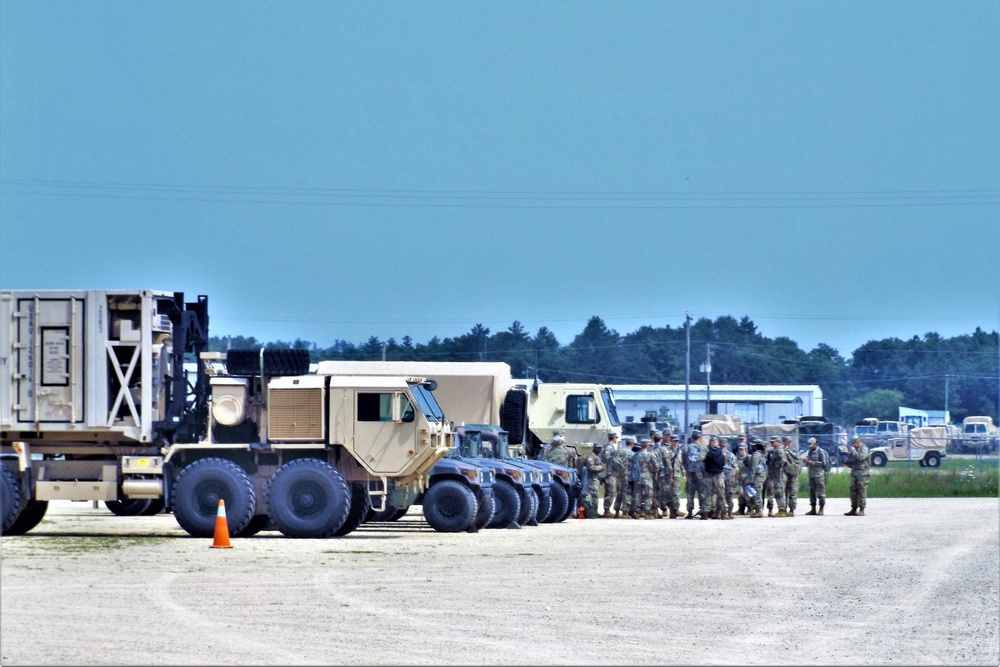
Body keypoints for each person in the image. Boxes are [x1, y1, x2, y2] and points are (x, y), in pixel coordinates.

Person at [700, 435, 729, 519]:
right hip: (719, 475)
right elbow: (725, 461)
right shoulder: (722, 451)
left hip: (708, 475)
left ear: (710, 442)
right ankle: (724, 513)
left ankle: (705, 513)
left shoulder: (706, 450)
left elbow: (701, 459)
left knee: (708, 494)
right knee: (721, 494)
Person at [842, 435, 871, 516]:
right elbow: (852, 461)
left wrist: (854, 451)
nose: (853, 446)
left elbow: (861, 457)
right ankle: (853, 508)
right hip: (854, 473)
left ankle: (862, 509)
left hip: (862, 474)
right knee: (853, 491)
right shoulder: (855, 450)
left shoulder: (864, 449)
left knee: (861, 491)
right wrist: (847, 462)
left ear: (858, 442)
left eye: (854, 444)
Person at [802, 437, 830, 515]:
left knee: (820, 492)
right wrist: (806, 461)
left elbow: (823, 462)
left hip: (819, 475)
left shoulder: (821, 451)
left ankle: (821, 509)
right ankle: (813, 509)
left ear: (815, 444)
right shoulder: (809, 451)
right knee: (812, 492)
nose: (810, 447)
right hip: (811, 474)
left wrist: (813, 463)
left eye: (811, 445)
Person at [682, 430, 704, 519]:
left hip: (690, 473)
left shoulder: (686, 448)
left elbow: (683, 460)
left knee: (690, 493)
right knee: (701, 492)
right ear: (699, 437)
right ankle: (703, 511)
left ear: (692, 437)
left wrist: (686, 471)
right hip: (700, 473)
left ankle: (690, 512)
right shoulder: (703, 447)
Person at [579, 442, 606, 519]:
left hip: (596, 479)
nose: (599, 449)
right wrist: (601, 467)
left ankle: (594, 512)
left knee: (595, 496)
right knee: (591, 496)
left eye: (600, 448)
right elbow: (591, 468)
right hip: (591, 479)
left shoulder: (598, 456)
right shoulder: (590, 456)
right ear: (594, 448)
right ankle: (590, 513)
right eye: (598, 448)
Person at [764, 436, 787, 517]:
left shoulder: (780, 451)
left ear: (778, 442)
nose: (771, 443)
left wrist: (775, 466)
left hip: (778, 475)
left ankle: (782, 510)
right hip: (773, 475)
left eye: (773, 442)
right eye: (771, 442)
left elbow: (783, 461)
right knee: (771, 492)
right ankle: (773, 509)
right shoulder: (773, 451)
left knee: (779, 492)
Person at [614, 436, 635, 518]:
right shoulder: (631, 454)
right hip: (627, 476)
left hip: (619, 475)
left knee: (619, 493)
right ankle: (625, 512)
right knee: (626, 493)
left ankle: (616, 511)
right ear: (632, 444)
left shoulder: (620, 451)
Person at [781, 436, 801, 517]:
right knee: (783, 492)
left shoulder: (794, 451)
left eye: (788, 441)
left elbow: (798, 462)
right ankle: (784, 508)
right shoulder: (782, 451)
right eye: (785, 441)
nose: (787, 443)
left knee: (792, 492)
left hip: (793, 474)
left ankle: (792, 509)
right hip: (785, 473)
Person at [600, 433, 619, 517]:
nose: (617, 439)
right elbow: (607, 458)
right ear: (613, 438)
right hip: (609, 473)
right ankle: (606, 510)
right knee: (610, 491)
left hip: (610, 472)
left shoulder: (610, 447)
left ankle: (607, 509)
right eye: (616, 437)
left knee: (610, 491)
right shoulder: (608, 448)